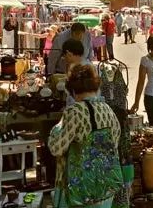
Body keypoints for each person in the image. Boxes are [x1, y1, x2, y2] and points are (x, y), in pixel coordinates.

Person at [49, 64, 121, 208]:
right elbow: (115, 141)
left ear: (74, 91)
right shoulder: (107, 109)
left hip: (80, 190)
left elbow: (56, 147)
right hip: (106, 186)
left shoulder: (74, 111)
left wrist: (57, 128)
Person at [62, 39, 97, 106]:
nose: (64, 59)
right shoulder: (90, 66)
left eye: (64, 56)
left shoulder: (82, 70)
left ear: (68, 54)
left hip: (81, 110)